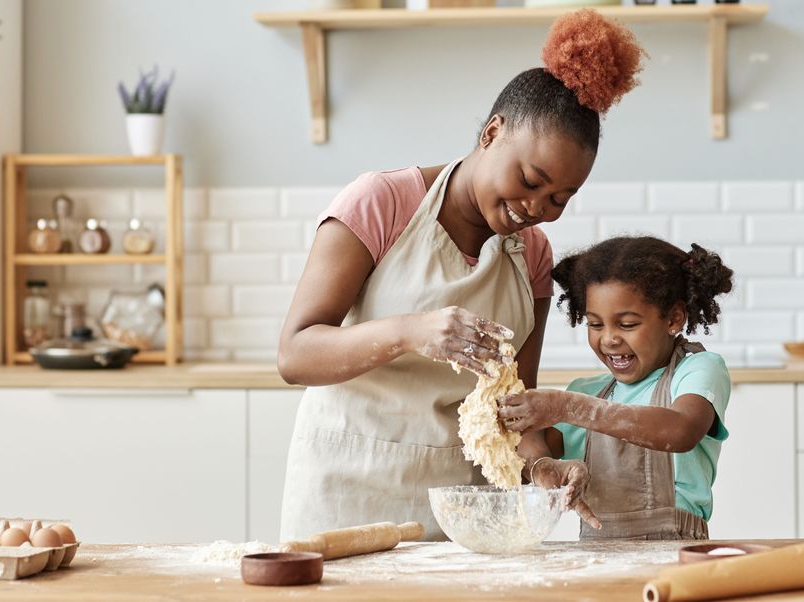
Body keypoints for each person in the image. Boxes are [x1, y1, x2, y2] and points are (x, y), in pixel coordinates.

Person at [276, 10, 646, 541]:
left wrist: (541, 469)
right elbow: (295, 355)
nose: (536, 207)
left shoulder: (532, 256)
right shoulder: (381, 203)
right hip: (347, 494)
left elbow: (517, 408)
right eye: (530, 180)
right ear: (492, 132)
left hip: (466, 512)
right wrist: (410, 331)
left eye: (559, 199)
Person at [499, 236, 734, 540]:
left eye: (627, 324)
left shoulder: (698, 370)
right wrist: (543, 466)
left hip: (674, 554)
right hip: (597, 558)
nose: (608, 339)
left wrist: (567, 407)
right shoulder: (588, 391)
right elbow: (529, 442)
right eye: (595, 325)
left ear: (674, 319)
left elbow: (681, 430)